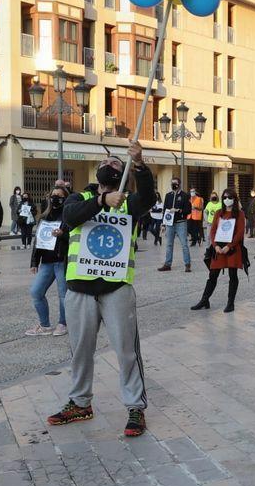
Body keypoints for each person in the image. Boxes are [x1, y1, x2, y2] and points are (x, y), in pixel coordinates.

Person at [48, 141, 156, 437]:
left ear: (124, 174)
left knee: (126, 351)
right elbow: (70, 217)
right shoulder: (79, 197)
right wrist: (100, 202)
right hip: (80, 289)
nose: (112, 164)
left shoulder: (130, 201)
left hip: (116, 288)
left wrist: (141, 165)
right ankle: (80, 403)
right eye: (107, 161)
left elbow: (148, 198)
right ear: (97, 174)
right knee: (80, 350)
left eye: (118, 163)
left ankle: (135, 407)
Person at [192, 188, 246, 312]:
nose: (227, 200)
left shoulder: (240, 214)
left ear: (235, 199)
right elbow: (213, 230)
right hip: (218, 249)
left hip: (232, 248)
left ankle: (230, 303)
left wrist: (229, 246)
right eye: (225, 197)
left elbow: (240, 232)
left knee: (233, 275)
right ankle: (204, 300)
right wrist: (215, 245)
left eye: (230, 197)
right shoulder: (218, 213)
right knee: (213, 275)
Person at [26, 187, 69, 337]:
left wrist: (63, 234)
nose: (55, 197)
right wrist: (34, 262)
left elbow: (75, 237)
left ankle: (63, 323)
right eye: (53, 195)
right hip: (46, 262)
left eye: (59, 195)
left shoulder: (68, 216)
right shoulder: (44, 216)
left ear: (65, 198)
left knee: (63, 295)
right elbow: (38, 240)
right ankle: (45, 325)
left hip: (62, 260)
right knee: (36, 292)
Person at [157, 177, 193, 272]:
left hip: (181, 223)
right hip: (169, 223)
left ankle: (187, 264)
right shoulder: (168, 195)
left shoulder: (185, 195)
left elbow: (188, 210)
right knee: (169, 244)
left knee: (184, 244)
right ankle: (167, 264)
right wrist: (163, 224)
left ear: (179, 184)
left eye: (175, 183)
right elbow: (165, 209)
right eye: (172, 183)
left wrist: (178, 210)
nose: (173, 185)